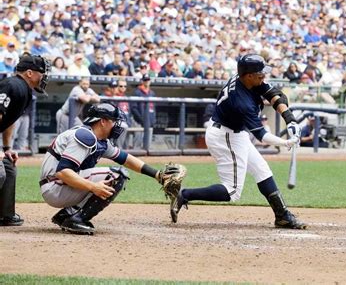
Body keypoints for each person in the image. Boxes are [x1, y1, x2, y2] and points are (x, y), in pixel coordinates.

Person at [171, 54, 305, 229]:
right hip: (224, 136)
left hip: (234, 132)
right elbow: (262, 136)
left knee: (262, 170)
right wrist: (286, 142)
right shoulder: (241, 101)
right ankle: (184, 194)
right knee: (232, 191)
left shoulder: (248, 80)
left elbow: (275, 95)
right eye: (260, 74)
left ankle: (282, 216)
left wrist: (291, 120)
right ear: (249, 75)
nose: (263, 77)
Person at [39, 103, 184, 235]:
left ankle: (66, 215)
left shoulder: (99, 140)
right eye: (114, 121)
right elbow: (63, 172)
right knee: (117, 175)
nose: (117, 125)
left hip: (59, 185)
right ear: (103, 121)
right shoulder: (84, 137)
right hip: (55, 186)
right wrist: (93, 186)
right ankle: (76, 219)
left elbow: (126, 159)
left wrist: (158, 175)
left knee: (117, 172)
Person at [0, 54, 50, 226]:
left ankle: (4, 214)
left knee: (8, 167)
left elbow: (8, 121)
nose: (44, 76)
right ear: (30, 73)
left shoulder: (25, 91)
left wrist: (6, 148)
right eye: (41, 72)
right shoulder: (11, 84)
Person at [130, 74, 156, 149]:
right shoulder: (137, 92)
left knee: (148, 144)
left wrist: (153, 119)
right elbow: (133, 108)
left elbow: (153, 108)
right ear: (142, 81)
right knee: (137, 144)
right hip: (138, 121)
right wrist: (141, 119)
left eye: (148, 80)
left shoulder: (152, 93)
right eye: (145, 80)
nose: (147, 82)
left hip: (149, 121)